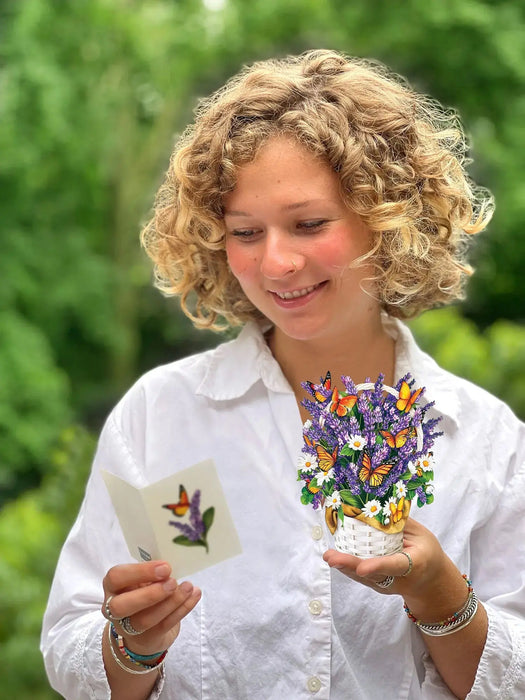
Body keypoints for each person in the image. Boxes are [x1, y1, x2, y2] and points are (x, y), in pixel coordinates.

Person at [41, 49, 525, 700]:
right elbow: (71, 651)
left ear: (385, 217)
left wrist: (440, 596)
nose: (276, 262)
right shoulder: (163, 417)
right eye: (244, 231)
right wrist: (131, 643)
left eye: (308, 224)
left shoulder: (482, 439)